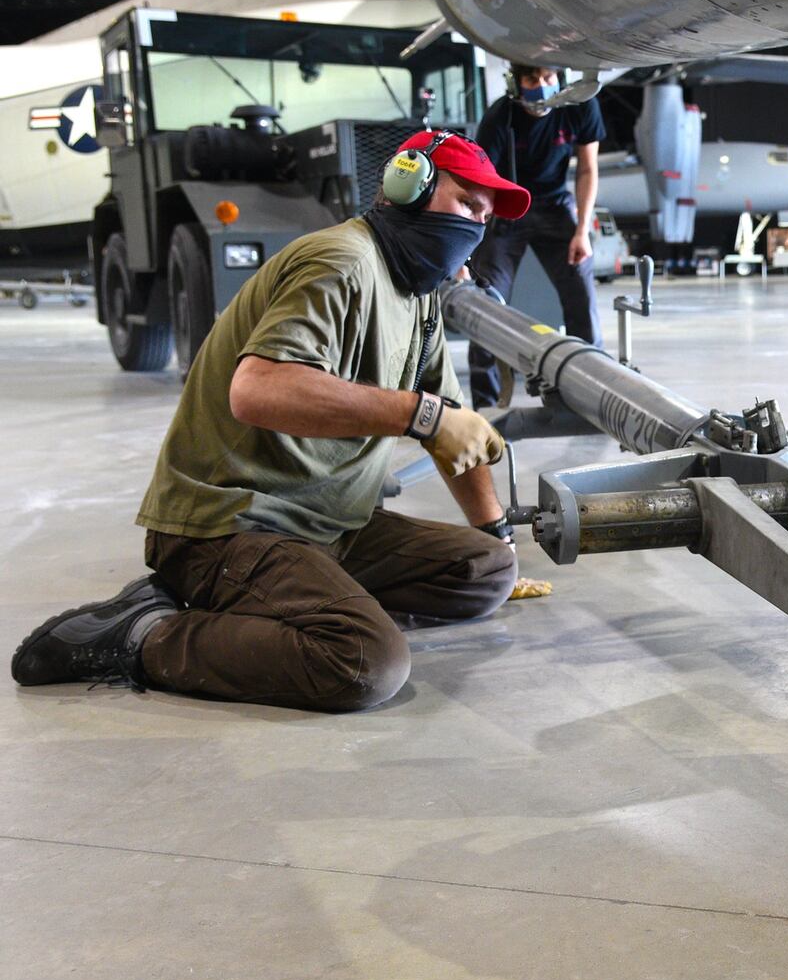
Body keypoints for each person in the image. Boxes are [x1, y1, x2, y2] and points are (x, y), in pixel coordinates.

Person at [11, 131, 532, 712]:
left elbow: (452, 429)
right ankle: (143, 635)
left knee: (486, 572)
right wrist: (420, 415)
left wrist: (496, 535)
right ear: (410, 187)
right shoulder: (342, 262)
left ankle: (286, 602)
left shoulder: (419, 295)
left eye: (485, 218)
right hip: (232, 522)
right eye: (466, 204)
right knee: (364, 661)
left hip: (331, 523)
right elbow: (258, 391)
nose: (476, 228)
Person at [469, 63, 606, 409]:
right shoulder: (500, 118)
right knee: (487, 303)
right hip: (507, 206)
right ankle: (484, 406)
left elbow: (588, 169)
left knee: (581, 296)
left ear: (560, 78)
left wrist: (582, 230)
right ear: (516, 82)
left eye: (548, 78)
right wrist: (472, 244)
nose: (541, 86)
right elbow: (482, 183)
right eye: (532, 79)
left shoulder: (580, 106)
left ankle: (592, 397)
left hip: (555, 206)